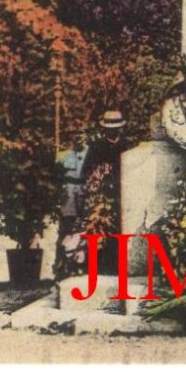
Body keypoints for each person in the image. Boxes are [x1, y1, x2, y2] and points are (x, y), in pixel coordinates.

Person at [80, 109, 127, 274]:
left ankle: (119, 265)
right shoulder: (96, 147)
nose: (112, 130)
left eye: (115, 127)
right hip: (101, 195)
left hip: (123, 194)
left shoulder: (126, 145)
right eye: (109, 127)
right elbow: (86, 172)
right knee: (100, 229)